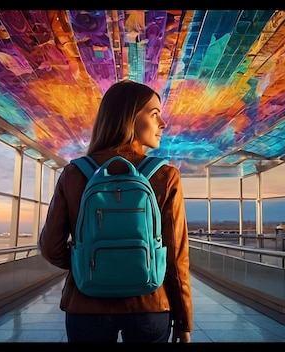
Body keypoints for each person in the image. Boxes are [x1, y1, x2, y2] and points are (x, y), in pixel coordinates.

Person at [38, 80, 193, 343]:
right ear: (129, 118)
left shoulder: (75, 173)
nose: (163, 124)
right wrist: (183, 319)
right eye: (154, 114)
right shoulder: (165, 175)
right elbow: (175, 257)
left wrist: (91, 265)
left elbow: (50, 247)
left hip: (86, 305)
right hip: (150, 304)